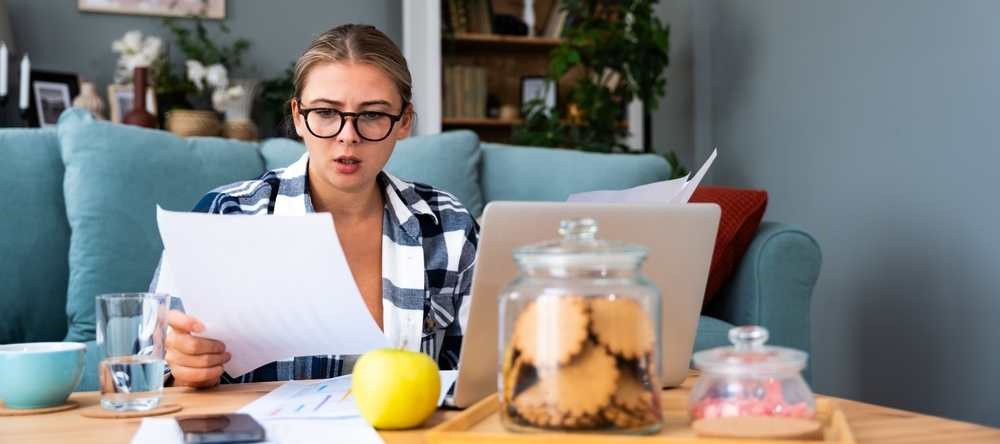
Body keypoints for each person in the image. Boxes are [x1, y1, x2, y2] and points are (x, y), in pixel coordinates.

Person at [150, 24, 479, 388]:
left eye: (372, 115)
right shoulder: (225, 215)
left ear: (403, 122)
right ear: (298, 116)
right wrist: (180, 369)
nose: (347, 135)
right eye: (326, 112)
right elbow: (144, 375)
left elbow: (471, 381)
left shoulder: (449, 227)